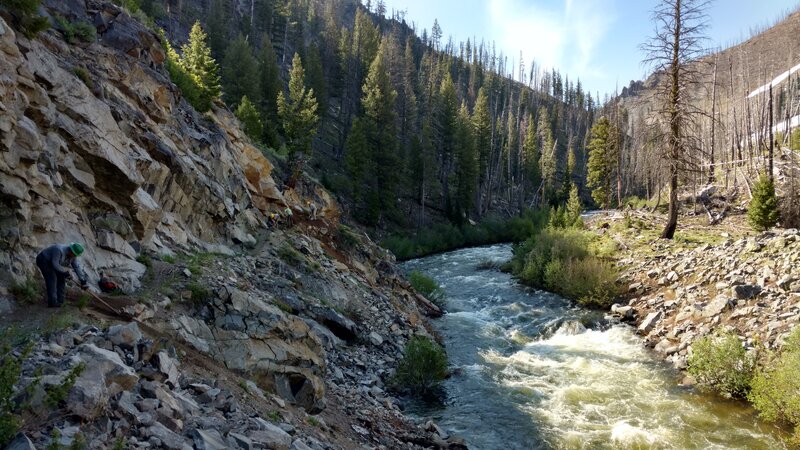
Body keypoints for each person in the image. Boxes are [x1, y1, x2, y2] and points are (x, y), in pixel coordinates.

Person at [36, 242, 89, 307]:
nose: (74, 256)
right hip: (44, 260)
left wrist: (83, 280)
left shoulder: (73, 256)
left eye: (75, 255)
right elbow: (55, 264)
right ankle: (52, 302)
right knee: (52, 278)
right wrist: (65, 272)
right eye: (74, 254)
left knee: (61, 279)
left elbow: (76, 267)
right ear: (71, 250)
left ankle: (61, 301)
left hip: (55, 263)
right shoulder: (58, 250)